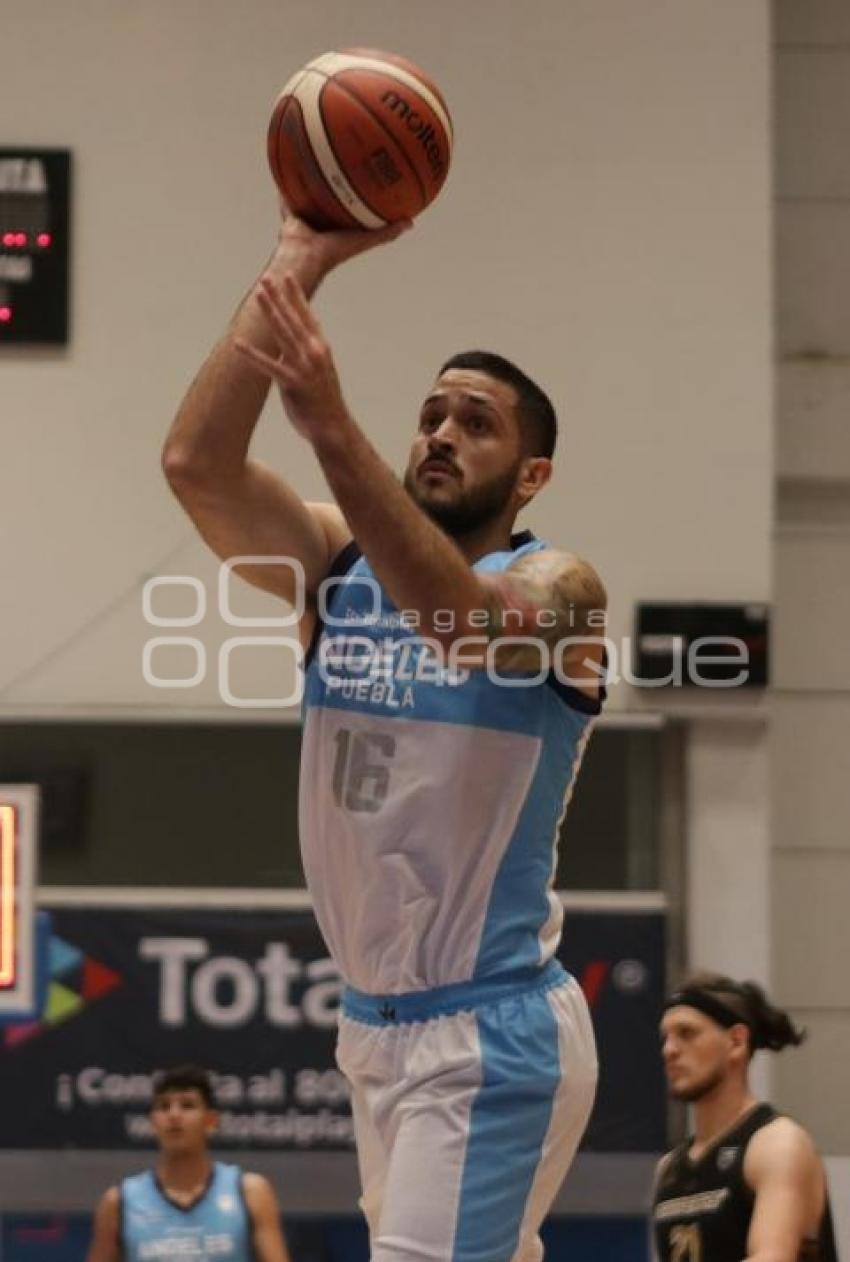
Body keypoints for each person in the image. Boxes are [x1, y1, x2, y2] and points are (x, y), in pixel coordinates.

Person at [162, 211, 608, 1262]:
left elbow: (458, 623)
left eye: (476, 422)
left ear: (531, 474)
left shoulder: (563, 590)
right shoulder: (331, 560)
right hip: (375, 1025)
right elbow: (196, 463)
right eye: (430, 414)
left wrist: (328, 424)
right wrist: (297, 262)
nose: (441, 434)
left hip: (491, 1027)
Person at [653, 973, 838, 1262]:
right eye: (665, 1038)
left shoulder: (777, 1144)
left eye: (687, 1033)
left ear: (736, 1042)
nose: (669, 1050)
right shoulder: (668, 1169)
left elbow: (772, 1256)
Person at [86, 1064, 290, 1262]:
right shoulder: (120, 1202)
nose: (174, 1115)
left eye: (187, 1105)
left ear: (211, 1121)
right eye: (164, 1107)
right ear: (153, 1122)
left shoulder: (249, 1192)